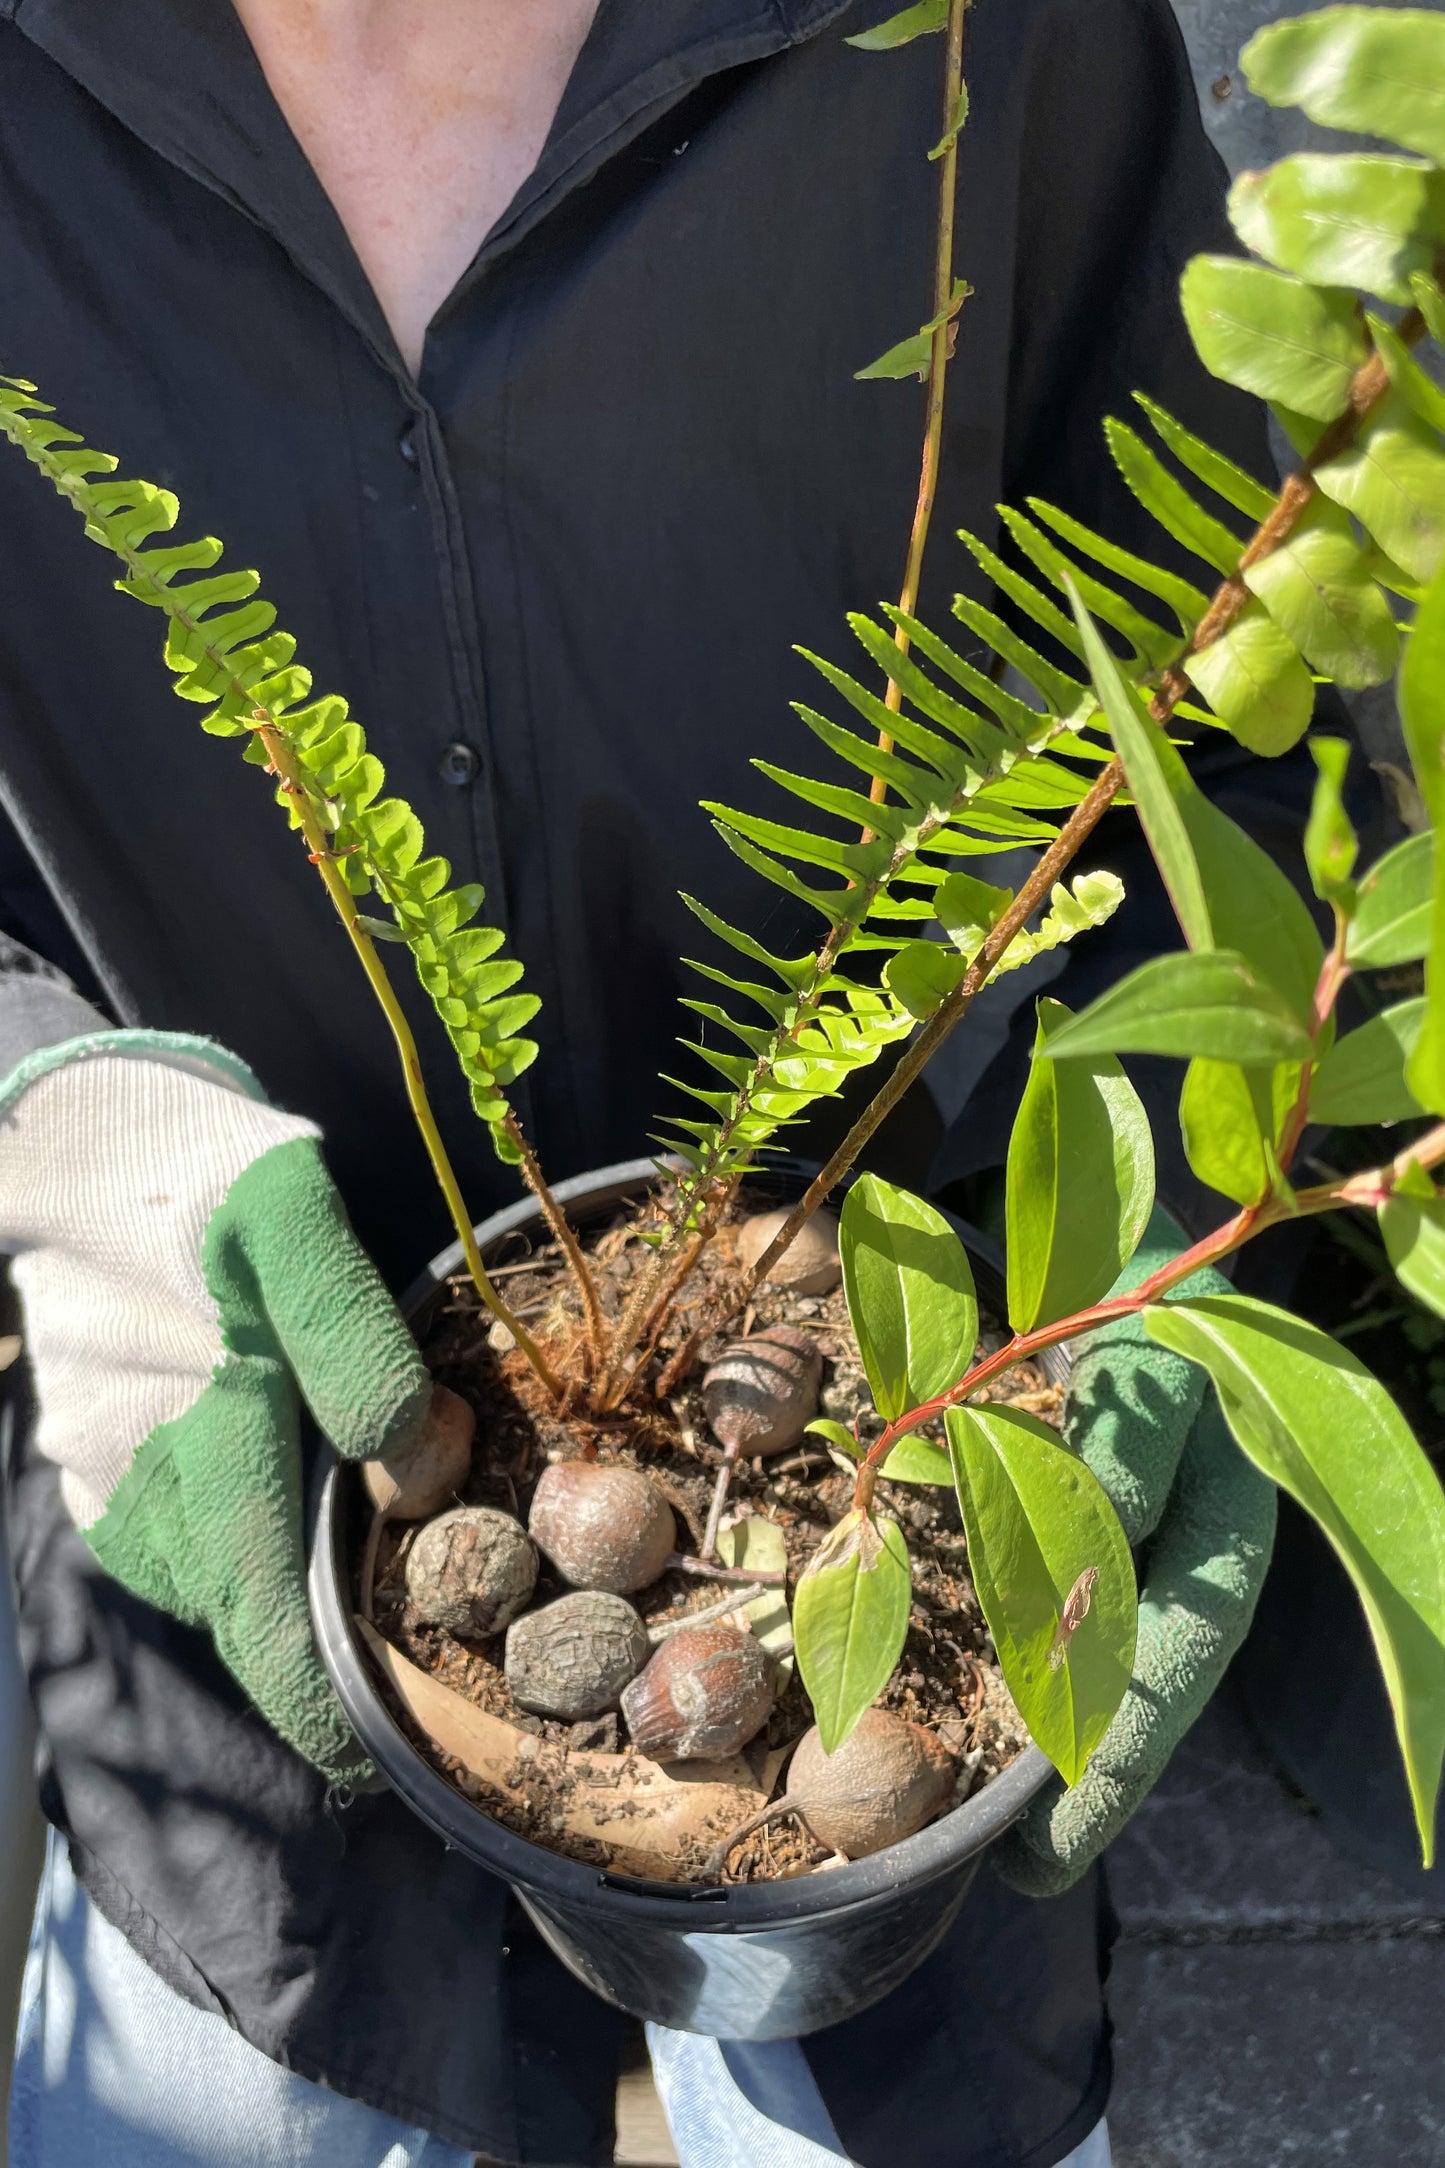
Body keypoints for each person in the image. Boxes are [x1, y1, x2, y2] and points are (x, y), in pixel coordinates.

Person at [0, 0, 1285, 2161]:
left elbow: (1210, 723)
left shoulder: (986, 53)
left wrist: (1180, 1219)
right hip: (212, 1586)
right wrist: (63, 1129)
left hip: (885, 1495)